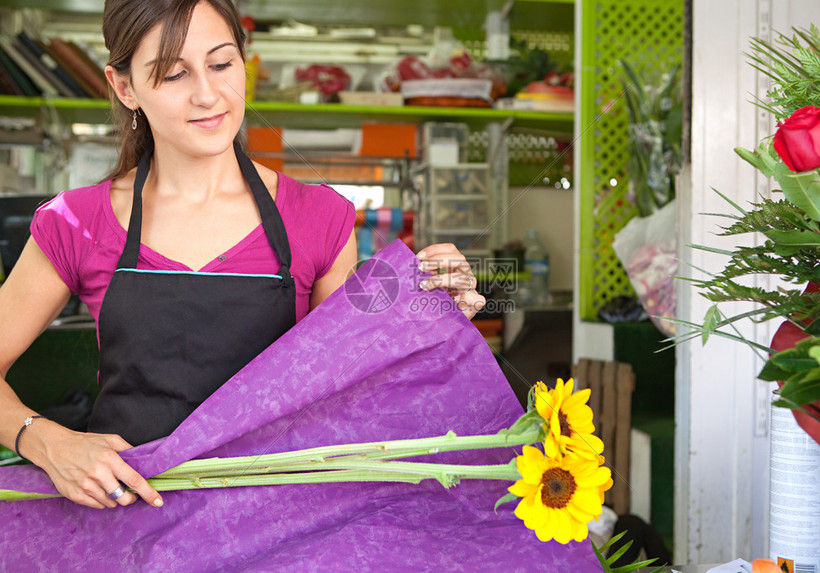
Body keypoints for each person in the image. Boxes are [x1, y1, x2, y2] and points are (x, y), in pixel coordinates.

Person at [0, 0, 485, 511]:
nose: (208, 95)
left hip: (281, 526)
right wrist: (46, 440)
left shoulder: (318, 217)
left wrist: (428, 320)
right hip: (128, 527)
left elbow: (353, 392)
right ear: (125, 88)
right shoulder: (76, 222)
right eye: (172, 74)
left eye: (221, 63)